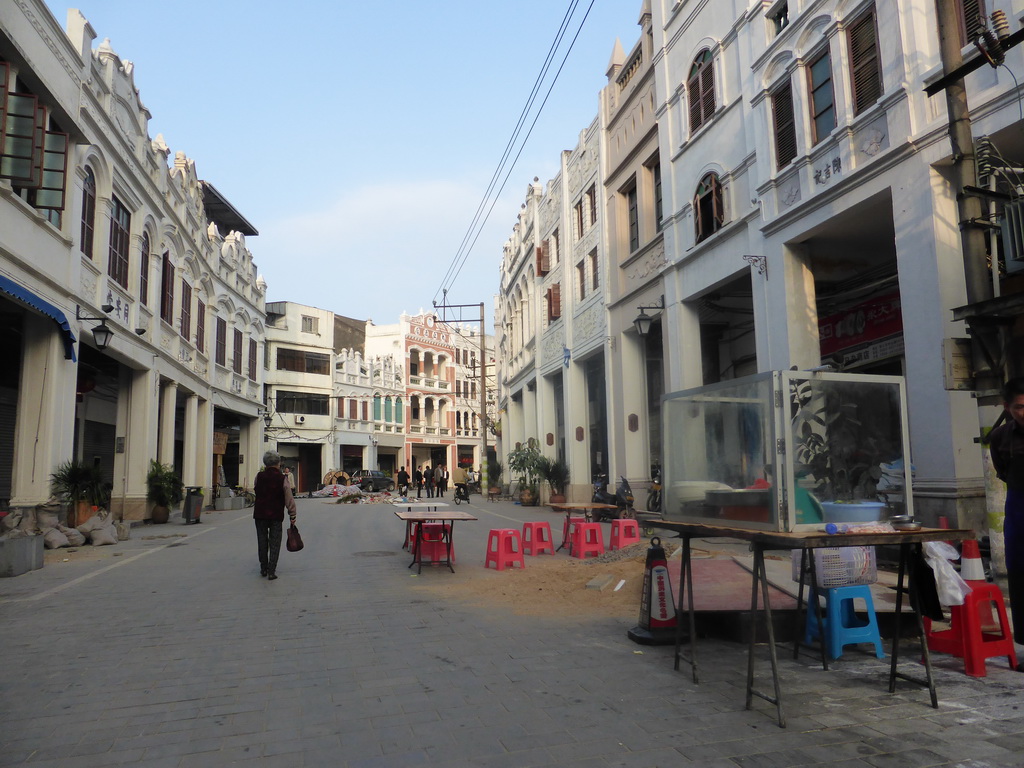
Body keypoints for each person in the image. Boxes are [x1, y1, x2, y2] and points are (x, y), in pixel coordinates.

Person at [988, 377, 1024, 655]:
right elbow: (1002, 472)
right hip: (1019, 515)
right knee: (1021, 579)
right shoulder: (999, 437)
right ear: (1007, 407)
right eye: (1020, 407)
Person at [253, 449, 296, 580]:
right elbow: (289, 497)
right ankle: (271, 571)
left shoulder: (258, 476)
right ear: (278, 463)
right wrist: (292, 514)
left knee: (262, 541)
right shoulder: (282, 478)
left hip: (260, 514)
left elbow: (256, 490)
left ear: (265, 463)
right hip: (276, 515)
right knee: (275, 542)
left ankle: (263, 568)